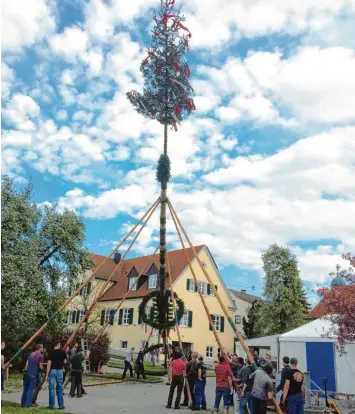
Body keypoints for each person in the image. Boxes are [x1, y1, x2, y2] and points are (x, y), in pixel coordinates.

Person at [46, 341, 67, 410]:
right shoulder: (63, 352)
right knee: (60, 388)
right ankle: (61, 405)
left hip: (53, 371)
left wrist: (47, 374)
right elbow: (65, 362)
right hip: (60, 371)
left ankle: (51, 405)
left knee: (51, 388)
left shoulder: (51, 352)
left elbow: (49, 364)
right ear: (58, 345)